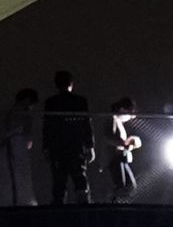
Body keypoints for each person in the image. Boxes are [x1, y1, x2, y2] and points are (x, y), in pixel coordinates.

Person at [40, 71, 94, 203]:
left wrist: (46, 147)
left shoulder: (51, 102)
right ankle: (83, 205)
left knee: (59, 179)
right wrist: (90, 145)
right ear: (71, 84)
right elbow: (86, 124)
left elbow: (47, 126)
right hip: (76, 145)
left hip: (57, 146)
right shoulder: (80, 101)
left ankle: (58, 206)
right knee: (79, 176)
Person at [106, 95, 142, 200]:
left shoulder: (118, 121)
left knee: (128, 186)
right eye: (129, 116)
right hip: (115, 159)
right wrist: (125, 144)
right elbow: (108, 138)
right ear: (123, 110)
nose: (129, 119)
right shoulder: (113, 118)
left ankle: (116, 201)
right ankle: (114, 203)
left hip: (120, 158)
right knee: (122, 186)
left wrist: (130, 142)